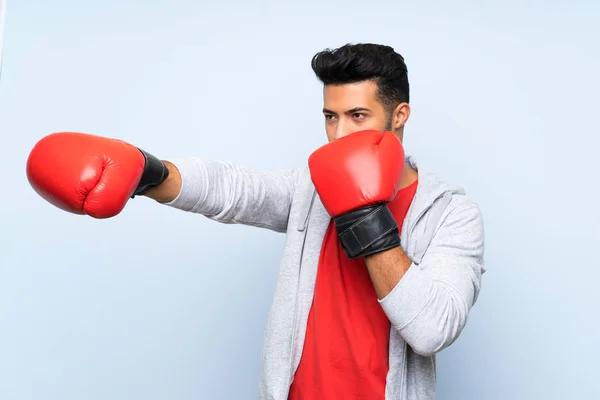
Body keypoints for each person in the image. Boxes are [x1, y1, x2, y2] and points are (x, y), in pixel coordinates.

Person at [26, 43, 486, 400]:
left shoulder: (450, 214)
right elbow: (236, 190)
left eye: (358, 116)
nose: (339, 134)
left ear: (400, 115)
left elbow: (432, 330)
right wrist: (151, 174)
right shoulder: (313, 187)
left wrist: (365, 213)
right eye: (331, 117)